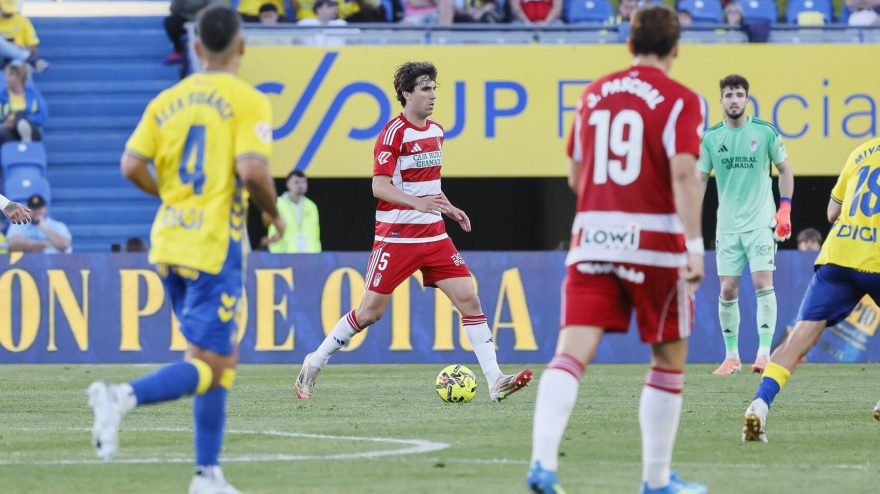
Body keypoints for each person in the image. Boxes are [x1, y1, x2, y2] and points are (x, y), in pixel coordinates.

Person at [87, 7, 285, 494]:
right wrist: (274, 214)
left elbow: (131, 164)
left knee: (217, 358)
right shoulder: (248, 100)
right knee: (212, 365)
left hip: (169, 243)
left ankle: (208, 474)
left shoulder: (167, 99)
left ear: (196, 49)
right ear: (241, 47)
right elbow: (253, 171)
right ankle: (120, 398)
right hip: (213, 248)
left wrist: (172, 197)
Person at [527, 6, 707, 494]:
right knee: (668, 358)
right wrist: (694, 246)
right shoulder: (682, 100)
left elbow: (573, 175)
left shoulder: (593, 95)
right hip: (654, 245)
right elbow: (685, 174)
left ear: (628, 44)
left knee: (569, 356)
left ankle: (543, 463)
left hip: (591, 239)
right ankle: (655, 480)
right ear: (675, 47)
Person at [295, 61, 532, 403]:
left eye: (434, 87)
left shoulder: (436, 131)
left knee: (470, 299)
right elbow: (379, 186)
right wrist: (414, 203)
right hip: (396, 238)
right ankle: (315, 361)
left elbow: (431, 186)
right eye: (425, 88)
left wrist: (447, 207)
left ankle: (495, 380)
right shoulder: (394, 134)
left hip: (434, 237)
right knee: (369, 313)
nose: (432, 95)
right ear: (406, 93)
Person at [742, 135, 880, 441]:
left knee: (797, 339)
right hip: (876, 259)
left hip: (839, 256)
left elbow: (832, 213)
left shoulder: (862, 152)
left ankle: (759, 405)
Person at [698, 74, 795, 376]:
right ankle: (732, 358)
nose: (735, 100)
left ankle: (764, 354)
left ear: (747, 99)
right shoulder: (711, 138)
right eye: (729, 95)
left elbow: (785, 170)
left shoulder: (765, 132)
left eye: (739, 94)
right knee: (727, 290)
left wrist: (785, 208)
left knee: (762, 283)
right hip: (727, 227)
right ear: (721, 101)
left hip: (760, 224)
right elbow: (700, 180)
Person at [266, 169, 322, 253]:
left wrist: (317, 256)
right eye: (296, 182)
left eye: (303, 182)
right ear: (288, 184)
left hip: (309, 257)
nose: (300, 185)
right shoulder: (278, 205)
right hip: (287, 257)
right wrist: (277, 257)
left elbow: (315, 235)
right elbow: (274, 232)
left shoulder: (311, 206)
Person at [0, 60, 47, 144]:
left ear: (19, 76)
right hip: (10, 131)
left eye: (10, 75)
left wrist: (21, 120)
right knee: (3, 135)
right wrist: (4, 125)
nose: (6, 79)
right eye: (6, 75)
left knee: (19, 115)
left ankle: (25, 133)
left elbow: (42, 116)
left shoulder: (33, 94)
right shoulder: (2, 96)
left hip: (32, 129)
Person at [7, 194, 71, 253]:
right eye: (33, 208)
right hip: (27, 263)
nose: (37, 212)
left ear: (45, 208)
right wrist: (46, 244)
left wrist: (45, 229)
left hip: (54, 263)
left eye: (39, 208)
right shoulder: (18, 224)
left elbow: (64, 245)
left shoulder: (58, 226)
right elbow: (15, 245)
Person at [164, 0, 221, 65]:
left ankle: (216, 51)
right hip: (187, 19)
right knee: (171, 22)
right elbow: (174, 10)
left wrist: (203, 14)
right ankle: (179, 51)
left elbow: (218, 5)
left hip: (207, 18)